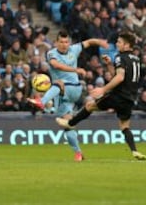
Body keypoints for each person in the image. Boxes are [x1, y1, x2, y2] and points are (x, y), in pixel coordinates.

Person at [56, 32, 146, 160]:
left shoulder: (120, 57)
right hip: (130, 98)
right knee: (124, 126)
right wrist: (109, 64)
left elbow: (120, 77)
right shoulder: (136, 59)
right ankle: (134, 151)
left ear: (127, 45)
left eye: (120, 42)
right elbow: (119, 74)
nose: (117, 44)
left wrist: (103, 89)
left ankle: (70, 123)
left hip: (118, 95)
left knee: (90, 105)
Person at [28, 30, 110, 161]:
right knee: (67, 124)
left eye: (66, 42)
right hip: (60, 95)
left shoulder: (74, 49)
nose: (64, 44)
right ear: (56, 42)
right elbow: (56, 65)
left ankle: (42, 102)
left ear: (69, 43)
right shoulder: (51, 53)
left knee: (59, 82)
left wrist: (99, 42)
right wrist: (75, 69)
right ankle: (78, 153)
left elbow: (89, 42)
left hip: (74, 89)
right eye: (61, 42)